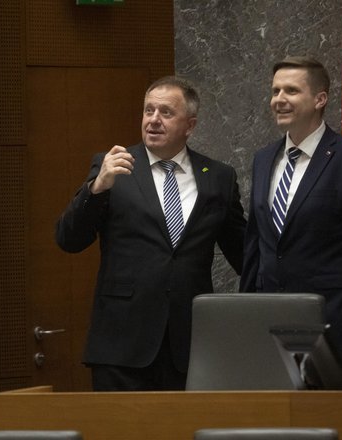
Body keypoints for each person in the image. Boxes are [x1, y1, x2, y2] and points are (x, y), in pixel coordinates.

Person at [56, 76, 246, 391]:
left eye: (166, 113)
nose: (153, 120)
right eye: (148, 111)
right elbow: (69, 239)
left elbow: (245, 254)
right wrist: (97, 188)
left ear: (190, 124)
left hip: (190, 347)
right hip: (121, 347)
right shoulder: (114, 168)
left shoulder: (219, 178)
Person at [240, 56, 342, 386]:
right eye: (275, 90)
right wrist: (243, 317)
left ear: (320, 99)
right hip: (269, 327)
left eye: (291, 90)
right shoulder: (264, 159)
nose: (278, 99)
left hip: (332, 329)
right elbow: (256, 245)